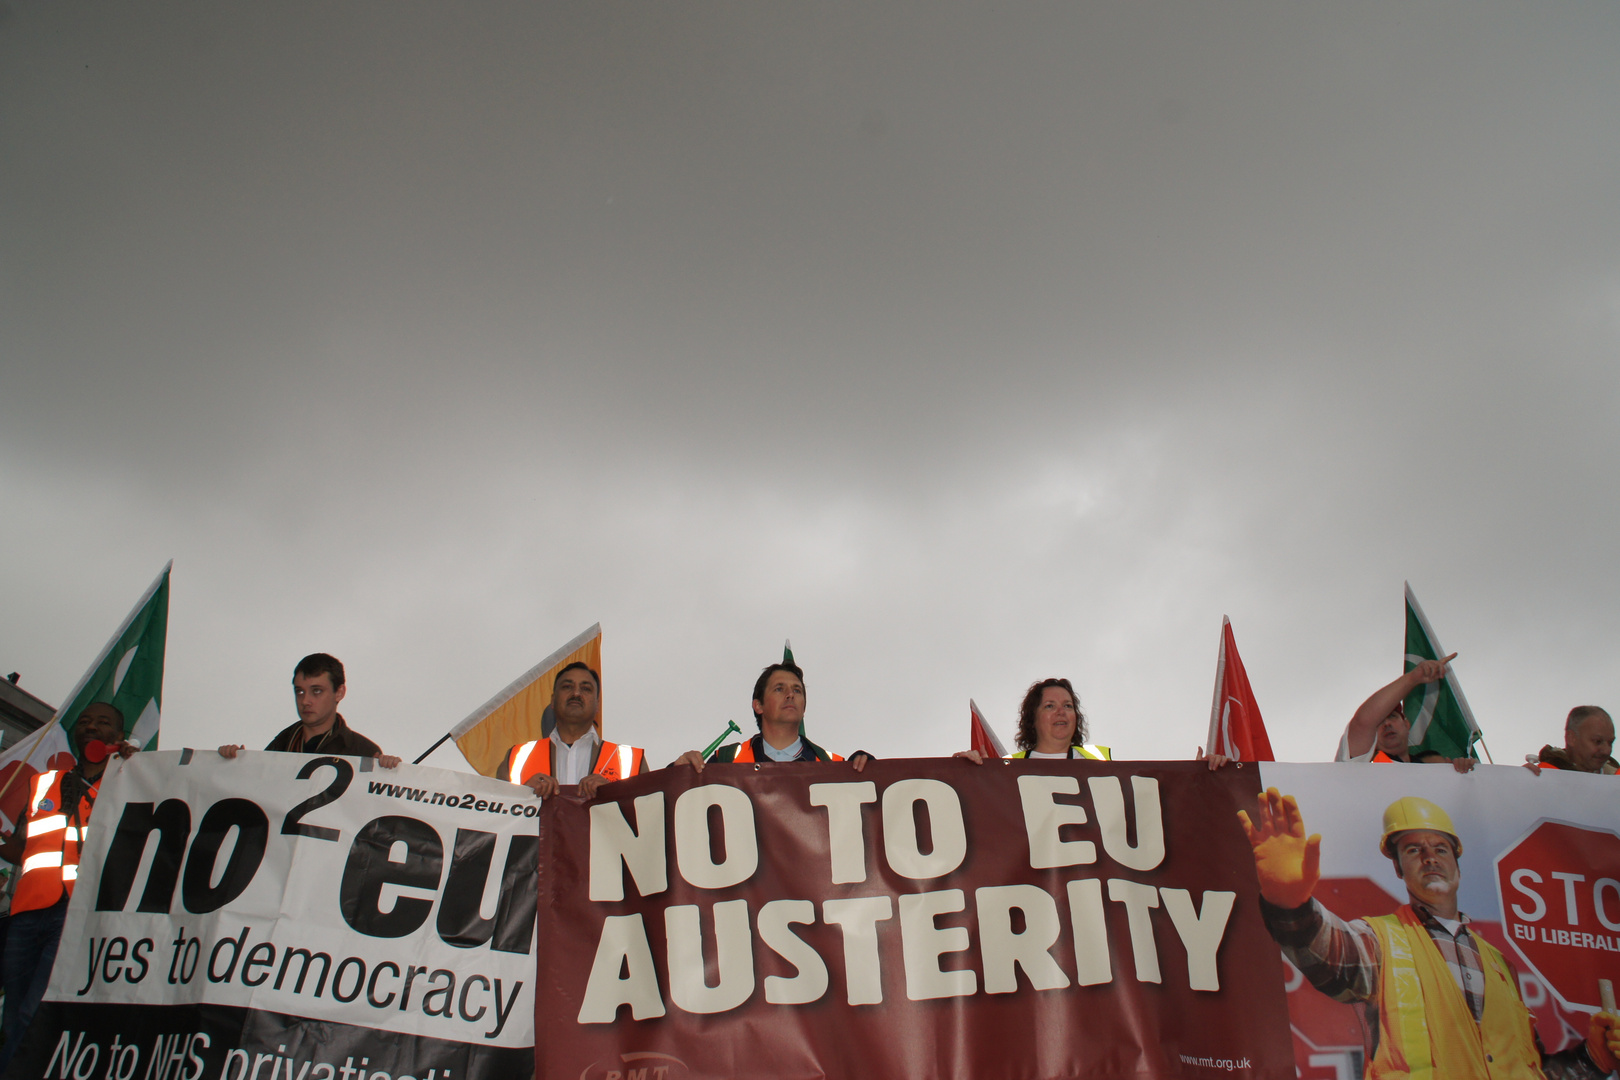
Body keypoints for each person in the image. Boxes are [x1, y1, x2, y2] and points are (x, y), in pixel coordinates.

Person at [1241, 789, 1619, 1079]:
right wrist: (1290, 905)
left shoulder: (1499, 965)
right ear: (1398, 869)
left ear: (1457, 862)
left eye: (1440, 848)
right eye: (1413, 850)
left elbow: (1529, 1070)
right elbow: (1328, 951)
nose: (1429, 857)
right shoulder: (1379, 940)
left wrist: (1592, 1059)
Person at [0, 703, 137, 1069]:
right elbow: (20, 847)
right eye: (86, 721)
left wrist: (133, 765)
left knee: (34, 1011)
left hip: (75, 915)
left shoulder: (128, 785)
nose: (91, 726)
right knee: (12, 1012)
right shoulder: (43, 783)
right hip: (26, 913)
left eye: (103, 722)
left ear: (118, 737)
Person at [675, 661, 871, 771]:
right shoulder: (725, 761)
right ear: (758, 705)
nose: (790, 694)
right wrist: (679, 771)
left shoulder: (835, 766)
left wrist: (871, 769)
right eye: (779, 689)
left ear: (804, 709)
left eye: (797, 690)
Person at [496, 662, 648, 798]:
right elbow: (495, 817)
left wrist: (612, 793)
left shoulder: (631, 760)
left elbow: (649, 817)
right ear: (552, 700)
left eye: (586, 689)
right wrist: (524, 794)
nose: (576, 693)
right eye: (567, 687)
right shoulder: (516, 758)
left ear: (597, 705)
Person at [219, 653, 400, 767]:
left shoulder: (363, 751)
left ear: (339, 692)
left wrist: (390, 772)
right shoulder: (280, 745)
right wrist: (232, 765)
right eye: (300, 691)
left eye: (317, 691)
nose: (305, 701)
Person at [1337, 655, 1471, 768]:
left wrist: (1463, 772)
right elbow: (1363, 722)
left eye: (1393, 717)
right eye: (1379, 723)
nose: (1387, 724)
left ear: (1407, 725)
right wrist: (1413, 678)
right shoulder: (1358, 770)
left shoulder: (1432, 770)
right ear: (1371, 737)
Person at [955, 678, 1110, 765]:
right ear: (1033, 719)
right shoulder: (1008, 767)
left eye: (1068, 706)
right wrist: (970, 772)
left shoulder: (1101, 763)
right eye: (1050, 706)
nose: (1061, 712)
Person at [1536, 707, 1616, 774]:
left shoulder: (1616, 776)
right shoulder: (1540, 776)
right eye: (1597, 741)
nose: (1606, 751)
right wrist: (1524, 780)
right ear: (1571, 738)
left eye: (1610, 742)